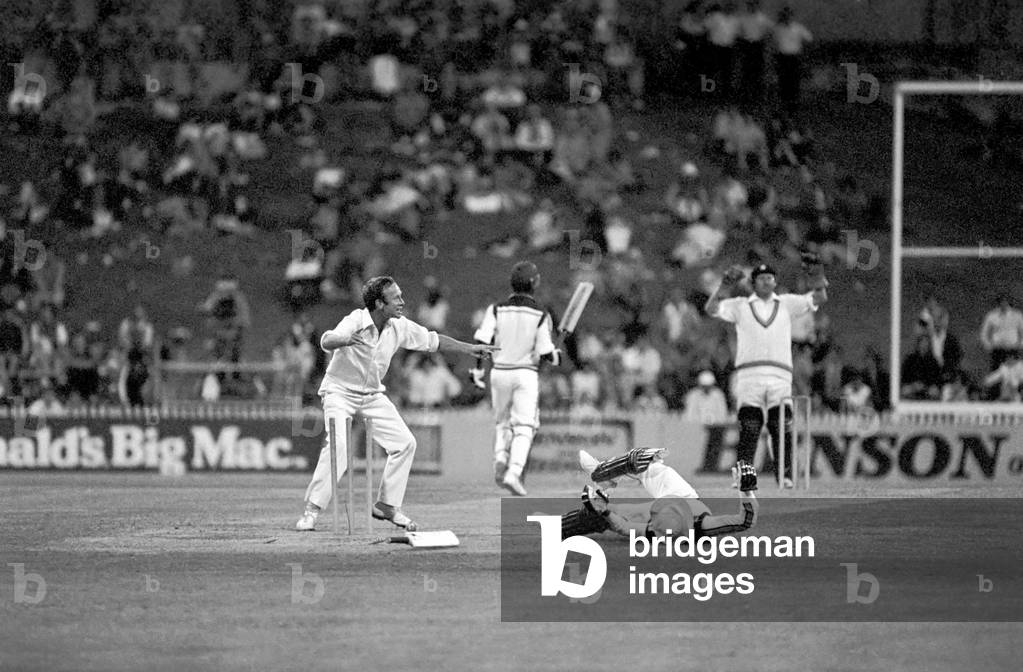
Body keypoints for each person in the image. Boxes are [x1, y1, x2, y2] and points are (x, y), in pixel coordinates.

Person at [296, 276, 498, 531]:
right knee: (339, 446)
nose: (402, 301)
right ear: (380, 303)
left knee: (405, 444)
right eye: (396, 298)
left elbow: (432, 340)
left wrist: (469, 348)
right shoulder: (356, 320)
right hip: (339, 392)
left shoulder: (399, 326)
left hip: (371, 395)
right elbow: (327, 339)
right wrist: (344, 340)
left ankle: (387, 506)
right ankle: (311, 511)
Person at [704, 255, 828, 485]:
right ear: (753, 282)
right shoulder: (741, 305)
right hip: (749, 374)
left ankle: (786, 475)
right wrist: (725, 285)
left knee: (782, 426)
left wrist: (816, 274)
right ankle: (744, 476)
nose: (766, 281)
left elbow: (820, 297)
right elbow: (711, 308)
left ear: (775, 282)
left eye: (770, 278)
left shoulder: (786, 303)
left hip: (780, 374)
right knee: (750, 426)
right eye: (761, 278)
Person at [471, 261, 559, 496]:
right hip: (525, 373)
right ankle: (514, 472)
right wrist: (555, 356)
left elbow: (482, 341)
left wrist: (478, 370)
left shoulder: (496, 309)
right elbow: (545, 352)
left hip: (499, 371)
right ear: (534, 283)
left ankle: (500, 458)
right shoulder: (540, 313)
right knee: (524, 427)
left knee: (502, 422)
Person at [561, 448, 758, 540]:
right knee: (644, 461)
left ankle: (557, 528)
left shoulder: (654, 528)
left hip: (656, 511)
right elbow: (744, 521)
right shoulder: (702, 524)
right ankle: (602, 474)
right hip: (686, 496)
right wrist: (746, 491)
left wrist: (604, 511)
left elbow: (623, 527)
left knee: (598, 514)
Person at [980, 294, 1023, 372]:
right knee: (996, 371)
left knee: (1013, 372)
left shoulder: (1017, 315)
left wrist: (1020, 344)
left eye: (1006, 301)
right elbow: (984, 331)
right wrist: (988, 345)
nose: (1004, 303)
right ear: (998, 302)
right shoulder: (992, 315)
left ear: (1010, 302)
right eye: (1002, 301)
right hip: (997, 349)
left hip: (1012, 348)